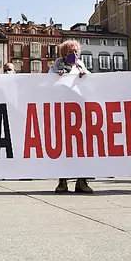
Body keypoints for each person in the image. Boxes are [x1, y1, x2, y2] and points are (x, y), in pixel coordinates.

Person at [48, 40, 93, 193]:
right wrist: (56, 76)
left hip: (81, 114)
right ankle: (63, 181)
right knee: (65, 148)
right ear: (63, 55)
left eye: (75, 52)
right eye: (69, 52)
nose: (73, 55)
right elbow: (47, 84)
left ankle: (82, 181)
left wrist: (85, 76)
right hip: (63, 114)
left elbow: (92, 83)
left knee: (82, 148)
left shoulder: (81, 66)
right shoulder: (56, 68)